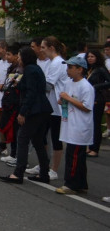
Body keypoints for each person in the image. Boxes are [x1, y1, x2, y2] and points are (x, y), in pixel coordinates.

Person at [0, 46, 52, 185]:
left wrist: (22, 112)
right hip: (43, 109)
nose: (19, 59)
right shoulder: (36, 69)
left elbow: (31, 93)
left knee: (22, 138)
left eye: (20, 57)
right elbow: (30, 87)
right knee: (38, 141)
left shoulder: (29, 70)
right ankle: (44, 173)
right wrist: (17, 84)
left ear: (25, 58)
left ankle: (18, 173)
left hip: (34, 110)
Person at [27, 36, 68, 181]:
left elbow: (49, 84)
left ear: (51, 48)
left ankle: (54, 169)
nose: (41, 50)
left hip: (56, 107)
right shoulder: (51, 62)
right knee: (42, 136)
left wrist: (32, 85)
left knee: (55, 138)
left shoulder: (57, 62)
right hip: (48, 105)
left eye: (43, 47)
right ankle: (43, 164)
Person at [53, 56, 94, 194]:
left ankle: (71, 184)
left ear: (80, 69)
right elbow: (65, 99)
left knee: (74, 156)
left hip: (79, 126)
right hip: (69, 123)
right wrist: (63, 100)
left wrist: (68, 99)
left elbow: (87, 107)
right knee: (74, 154)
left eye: (71, 67)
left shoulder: (86, 86)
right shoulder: (69, 83)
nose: (68, 70)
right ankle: (81, 183)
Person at [86, 50, 109, 157]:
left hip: (98, 98)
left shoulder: (101, 69)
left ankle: (95, 148)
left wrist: (96, 87)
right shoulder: (91, 69)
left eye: (92, 56)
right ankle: (90, 146)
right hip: (90, 98)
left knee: (96, 123)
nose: (90, 58)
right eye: (88, 56)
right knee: (90, 123)